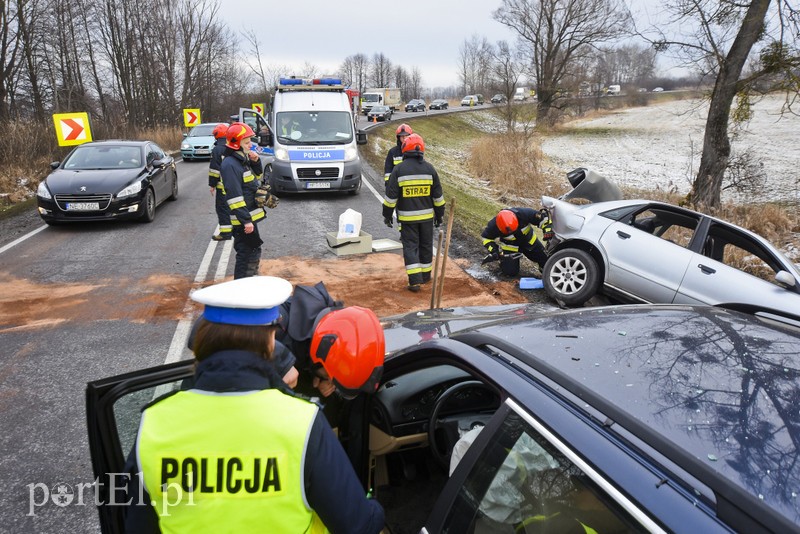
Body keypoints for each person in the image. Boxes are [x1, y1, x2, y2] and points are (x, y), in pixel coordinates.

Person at [123, 276, 385, 534]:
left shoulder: (153, 426)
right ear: (271, 343)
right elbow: (358, 525)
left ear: (204, 342)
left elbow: (134, 523)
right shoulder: (301, 425)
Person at [382, 133, 446, 292]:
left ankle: (415, 281)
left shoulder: (399, 170)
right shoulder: (430, 169)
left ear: (405, 149)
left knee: (410, 247)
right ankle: (426, 276)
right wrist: (439, 216)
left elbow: (391, 197)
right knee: (426, 246)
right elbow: (438, 197)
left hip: (407, 218)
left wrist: (387, 215)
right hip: (427, 219)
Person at [220, 122, 265, 279]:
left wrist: (256, 162)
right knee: (246, 253)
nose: (250, 145)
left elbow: (256, 180)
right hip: (242, 221)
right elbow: (234, 197)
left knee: (253, 250)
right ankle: (242, 287)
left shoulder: (241, 160)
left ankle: (250, 282)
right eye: (246, 142)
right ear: (235, 144)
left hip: (248, 218)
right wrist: (246, 221)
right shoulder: (230, 165)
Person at [481, 208, 551, 276]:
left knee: (547, 262)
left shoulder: (524, 213)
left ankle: (546, 275)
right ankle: (505, 264)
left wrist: (547, 230)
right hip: (511, 248)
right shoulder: (493, 226)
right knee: (509, 272)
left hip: (530, 243)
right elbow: (486, 238)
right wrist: (494, 251)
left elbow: (544, 218)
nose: (512, 232)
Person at [208, 123, 232, 241]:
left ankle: (226, 233)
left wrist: (212, 184)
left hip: (222, 187)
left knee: (222, 209)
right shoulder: (233, 146)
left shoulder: (217, 150)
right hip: (235, 184)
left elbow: (214, 170)